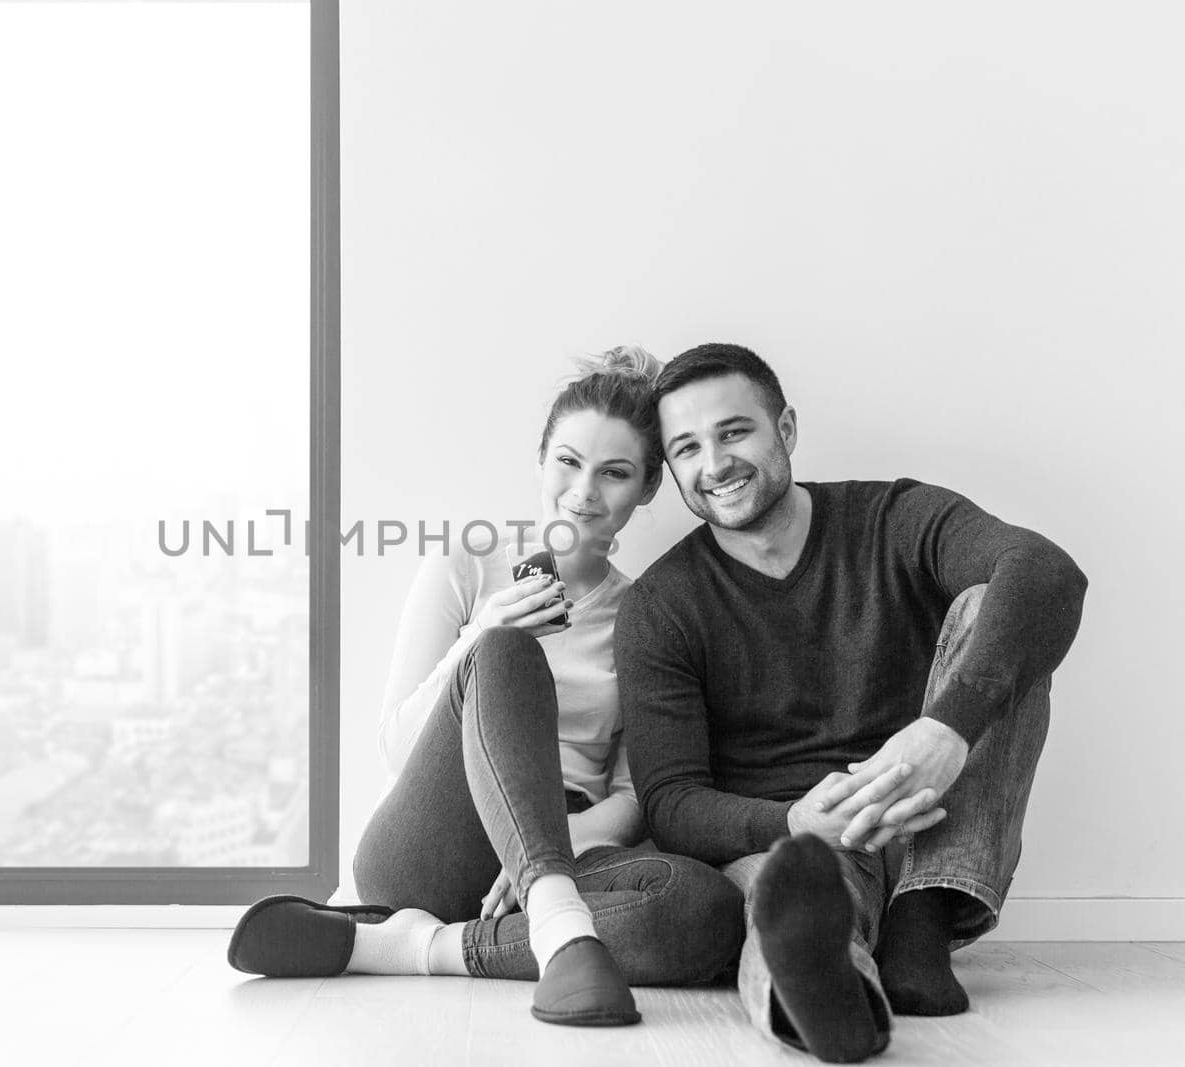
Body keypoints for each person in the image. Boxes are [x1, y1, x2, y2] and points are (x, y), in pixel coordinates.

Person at [228, 346, 745, 1025]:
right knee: (506, 652)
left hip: (565, 846)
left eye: (614, 473)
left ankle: (410, 945)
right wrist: (480, 637)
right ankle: (560, 925)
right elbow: (396, 747)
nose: (584, 491)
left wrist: (539, 853)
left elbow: (630, 797)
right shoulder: (467, 565)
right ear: (540, 459)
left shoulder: (648, 613)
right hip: (433, 837)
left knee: (706, 911)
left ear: (647, 488)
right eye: (568, 461)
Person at [615, 343, 1087, 1061]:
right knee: (792, 910)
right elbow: (671, 800)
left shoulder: (890, 515)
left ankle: (921, 919)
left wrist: (944, 731)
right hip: (802, 841)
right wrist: (794, 818)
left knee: (1003, 609)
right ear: (673, 468)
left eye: (735, 431)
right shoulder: (661, 606)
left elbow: (1049, 573)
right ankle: (838, 998)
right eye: (687, 448)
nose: (715, 464)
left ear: (788, 428)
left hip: (936, 815)